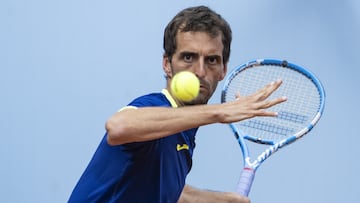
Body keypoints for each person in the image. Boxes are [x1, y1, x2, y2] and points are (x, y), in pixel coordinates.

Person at [69, 5, 286, 203]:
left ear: (223, 71)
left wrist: (223, 200)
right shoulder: (153, 106)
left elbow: (169, 190)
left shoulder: (183, 135)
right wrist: (219, 112)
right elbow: (119, 127)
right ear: (167, 64)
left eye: (211, 60)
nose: (200, 72)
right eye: (188, 57)